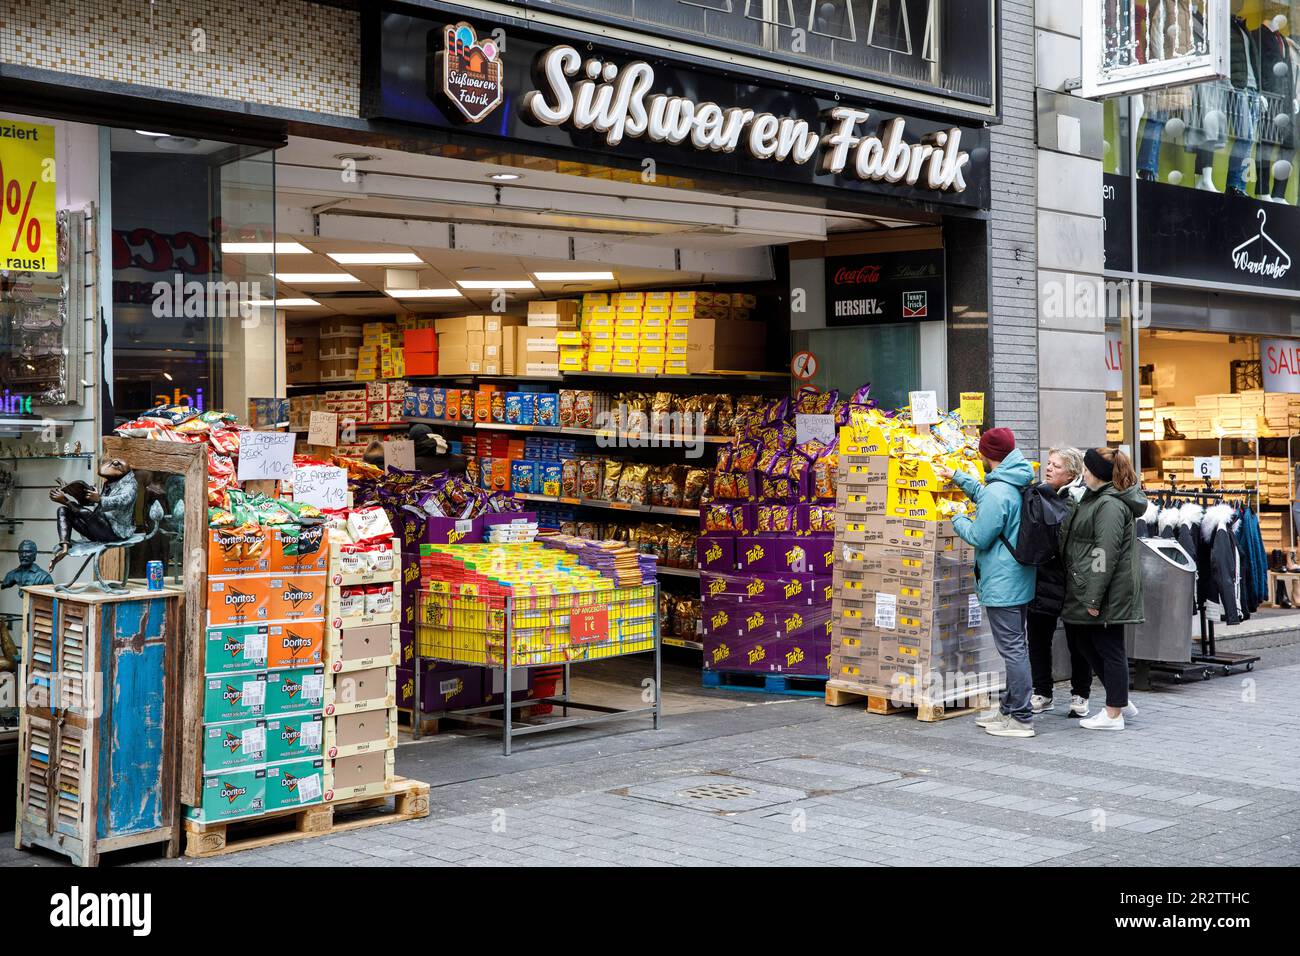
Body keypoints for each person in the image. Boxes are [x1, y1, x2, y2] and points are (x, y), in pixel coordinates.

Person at [936, 427, 1038, 739]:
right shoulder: (1012, 480)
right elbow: (989, 499)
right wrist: (957, 476)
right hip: (1017, 578)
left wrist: (956, 518)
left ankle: (1021, 718)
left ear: (988, 455)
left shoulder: (999, 490)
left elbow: (980, 535)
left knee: (1013, 649)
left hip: (1003, 581)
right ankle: (1009, 709)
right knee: (1016, 646)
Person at [1058, 447, 1147, 731]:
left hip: (1107, 589)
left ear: (1097, 474)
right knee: (1085, 642)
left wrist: (1094, 596)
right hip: (1095, 585)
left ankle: (1113, 715)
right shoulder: (1097, 497)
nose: (1082, 474)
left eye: (1086, 469)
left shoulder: (1109, 505)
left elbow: (1103, 553)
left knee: (1109, 648)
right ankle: (1118, 698)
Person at [1027, 446, 1094, 718]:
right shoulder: (1039, 493)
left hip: (1070, 579)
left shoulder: (1079, 500)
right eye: (1049, 463)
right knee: (1038, 637)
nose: (1049, 468)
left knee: (1078, 641)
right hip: (1042, 578)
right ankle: (1042, 692)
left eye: (1056, 465)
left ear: (1071, 474)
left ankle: (1081, 694)